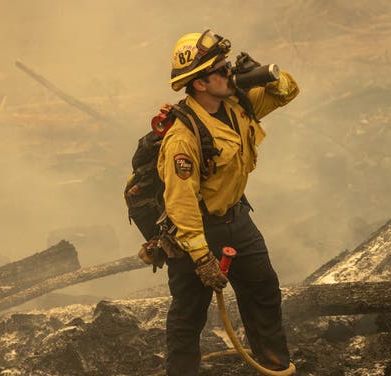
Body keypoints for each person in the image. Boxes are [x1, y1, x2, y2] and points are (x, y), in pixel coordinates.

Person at [156, 29, 299, 375]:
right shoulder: (183, 136)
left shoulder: (237, 105)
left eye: (227, 65)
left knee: (264, 292)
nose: (228, 73)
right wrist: (202, 256)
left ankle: (275, 368)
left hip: (238, 221)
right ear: (200, 84)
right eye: (220, 69)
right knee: (190, 314)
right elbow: (181, 202)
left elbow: (288, 92)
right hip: (197, 232)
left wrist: (267, 72)